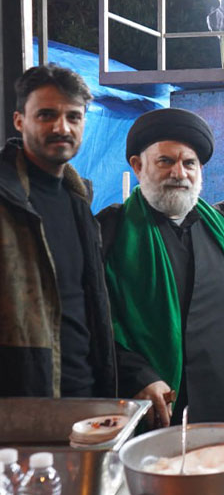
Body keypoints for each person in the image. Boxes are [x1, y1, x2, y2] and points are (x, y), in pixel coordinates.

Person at [98, 108, 224, 428]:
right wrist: (137, 376)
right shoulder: (111, 231)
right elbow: (96, 324)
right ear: (138, 166)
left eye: (189, 163)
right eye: (165, 161)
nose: (179, 173)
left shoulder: (221, 227)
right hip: (158, 407)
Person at [0, 64, 116, 398]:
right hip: (21, 403)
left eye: (73, 117)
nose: (62, 127)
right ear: (19, 120)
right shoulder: (6, 198)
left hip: (85, 397)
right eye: (46, 115)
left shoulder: (79, 202)